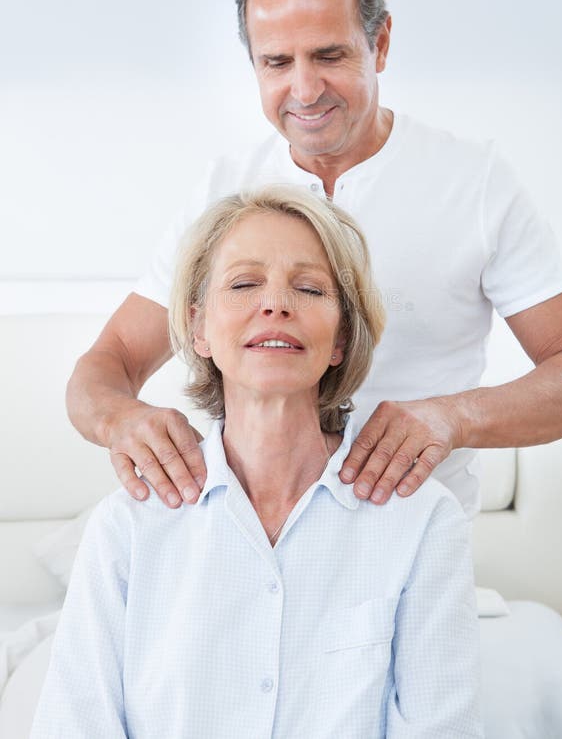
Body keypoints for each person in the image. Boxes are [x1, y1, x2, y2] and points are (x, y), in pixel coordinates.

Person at [66, 0, 562, 517]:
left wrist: (452, 417)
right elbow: (106, 363)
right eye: (276, 62)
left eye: (329, 55)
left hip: (415, 546)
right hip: (249, 538)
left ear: (381, 43)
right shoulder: (223, 191)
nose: (305, 89)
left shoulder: (473, 184)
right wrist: (122, 418)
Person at [31, 188, 483, 738]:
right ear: (198, 330)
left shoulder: (423, 521)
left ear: (341, 336)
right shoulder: (127, 526)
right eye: (244, 284)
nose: (275, 305)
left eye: (310, 288)